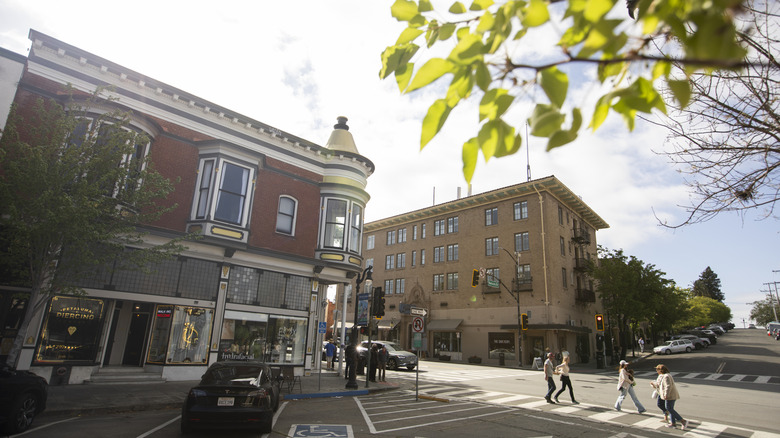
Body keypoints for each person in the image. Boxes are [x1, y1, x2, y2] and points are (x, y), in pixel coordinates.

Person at [653, 364, 689, 430]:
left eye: (657, 369)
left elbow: (668, 386)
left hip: (670, 395)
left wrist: (666, 394)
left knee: (669, 408)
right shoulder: (664, 376)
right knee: (670, 408)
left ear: (661, 370)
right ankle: (673, 423)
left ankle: (683, 421)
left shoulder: (666, 376)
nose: (656, 371)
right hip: (669, 395)